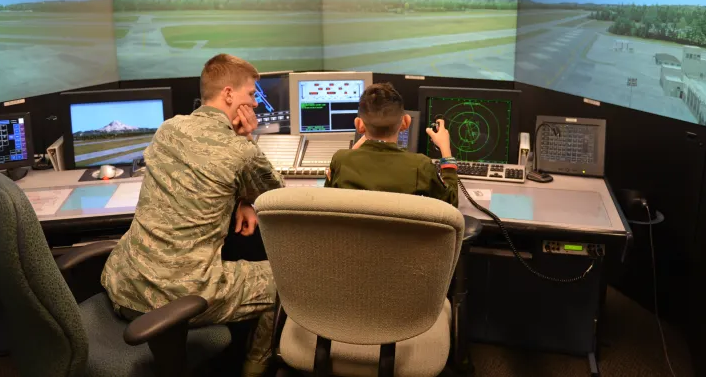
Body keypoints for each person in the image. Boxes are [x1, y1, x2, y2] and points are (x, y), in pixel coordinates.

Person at [101, 54, 283, 377]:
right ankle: (254, 369)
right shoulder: (240, 151)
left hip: (124, 284)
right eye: (251, 94)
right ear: (229, 94)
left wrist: (241, 200)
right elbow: (275, 194)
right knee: (285, 282)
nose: (255, 104)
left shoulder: (168, 129)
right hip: (175, 299)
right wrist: (246, 138)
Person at [325, 82, 458, 207]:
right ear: (406, 122)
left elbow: (327, 201)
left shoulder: (340, 160)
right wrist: (445, 149)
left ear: (359, 125)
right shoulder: (421, 166)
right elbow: (450, 204)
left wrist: (364, 133)